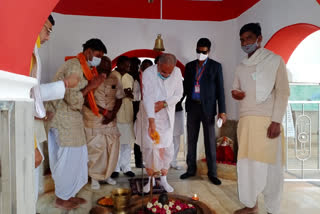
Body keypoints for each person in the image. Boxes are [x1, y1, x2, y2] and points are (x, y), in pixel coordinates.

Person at [232, 23, 289, 214]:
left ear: (259, 38)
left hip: (267, 123)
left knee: (271, 168)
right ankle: (251, 205)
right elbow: (235, 88)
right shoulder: (241, 66)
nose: (245, 42)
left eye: (248, 38)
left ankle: (273, 208)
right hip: (246, 123)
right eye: (242, 39)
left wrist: (276, 121)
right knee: (247, 167)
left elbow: (283, 92)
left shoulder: (274, 61)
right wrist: (236, 94)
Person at [46, 38, 107, 210]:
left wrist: (92, 84)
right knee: (67, 159)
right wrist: (92, 85)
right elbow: (72, 99)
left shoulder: (85, 68)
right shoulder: (74, 66)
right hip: (63, 119)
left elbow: (79, 97)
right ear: (88, 52)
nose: (99, 59)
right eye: (97, 55)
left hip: (72, 119)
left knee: (77, 157)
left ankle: (68, 194)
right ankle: (61, 198)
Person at [30, 14, 79, 204]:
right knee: (29, 180)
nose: (48, 36)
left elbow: (32, 94)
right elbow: (25, 95)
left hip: (34, 124)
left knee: (34, 179)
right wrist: (65, 84)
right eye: (47, 29)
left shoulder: (34, 51)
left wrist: (40, 112)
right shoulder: (28, 52)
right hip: (28, 130)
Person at [180, 38, 226, 185]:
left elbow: (220, 90)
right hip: (192, 107)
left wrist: (222, 111)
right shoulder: (189, 66)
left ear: (209, 51)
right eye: (198, 51)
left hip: (208, 108)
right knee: (191, 140)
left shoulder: (216, 67)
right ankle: (190, 169)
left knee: (210, 142)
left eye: (203, 51)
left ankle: (212, 173)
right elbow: (185, 87)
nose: (200, 54)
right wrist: (175, 103)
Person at [135, 53, 183, 193]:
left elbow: (179, 94)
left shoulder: (177, 72)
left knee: (166, 149)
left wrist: (164, 104)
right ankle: (150, 180)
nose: (167, 75)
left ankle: (163, 179)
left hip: (167, 114)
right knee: (150, 149)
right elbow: (148, 97)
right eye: (163, 72)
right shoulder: (149, 73)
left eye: (170, 72)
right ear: (157, 65)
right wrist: (151, 122)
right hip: (150, 114)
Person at [83, 56, 124, 190]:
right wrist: (104, 112)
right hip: (94, 119)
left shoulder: (115, 79)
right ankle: (95, 177)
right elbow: (84, 99)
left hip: (110, 120)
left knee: (110, 148)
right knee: (95, 149)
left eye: (109, 64)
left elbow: (119, 98)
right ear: (98, 65)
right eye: (104, 63)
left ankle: (107, 176)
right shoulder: (89, 78)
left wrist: (112, 114)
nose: (107, 66)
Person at [111, 56, 136, 178]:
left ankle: (126, 167)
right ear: (119, 64)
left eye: (129, 66)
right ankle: (115, 168)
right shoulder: (112, 76)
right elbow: (109, 94)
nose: (128, 68)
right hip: (116, 114)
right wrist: (121, 93)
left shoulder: (130, 77)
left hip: (128, 114)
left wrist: (130, 94)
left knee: (127, 143)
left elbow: (134, 95)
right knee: (116, 143)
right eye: (126, 65)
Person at [133, 59, 153, 168]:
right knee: (138, 135)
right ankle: (138, 161)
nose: (146, 70)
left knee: (149, 136)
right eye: (144, 67)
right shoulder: (137, 78)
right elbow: (135, 95)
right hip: (139, 110)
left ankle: (149, 160)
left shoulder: (155, 79)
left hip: (152, 112)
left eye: (148, 67)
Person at [170, 98, 184, 170]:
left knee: (176, 138)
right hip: (165, 110)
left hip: (177, 110)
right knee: (166, 138)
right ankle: (165, 161)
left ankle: (173, 161)